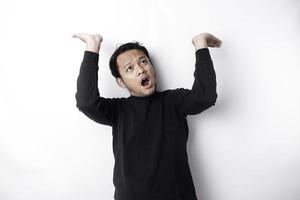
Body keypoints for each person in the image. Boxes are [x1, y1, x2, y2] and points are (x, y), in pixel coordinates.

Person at [73, 32, 222, 200]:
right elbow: (86, 102)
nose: (140, 69)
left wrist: (200, 44)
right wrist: (93, 47)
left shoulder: (173, 101)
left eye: (143, 61)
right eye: (130, 68)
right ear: (121, 81)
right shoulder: (118, 110)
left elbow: (205, 97)